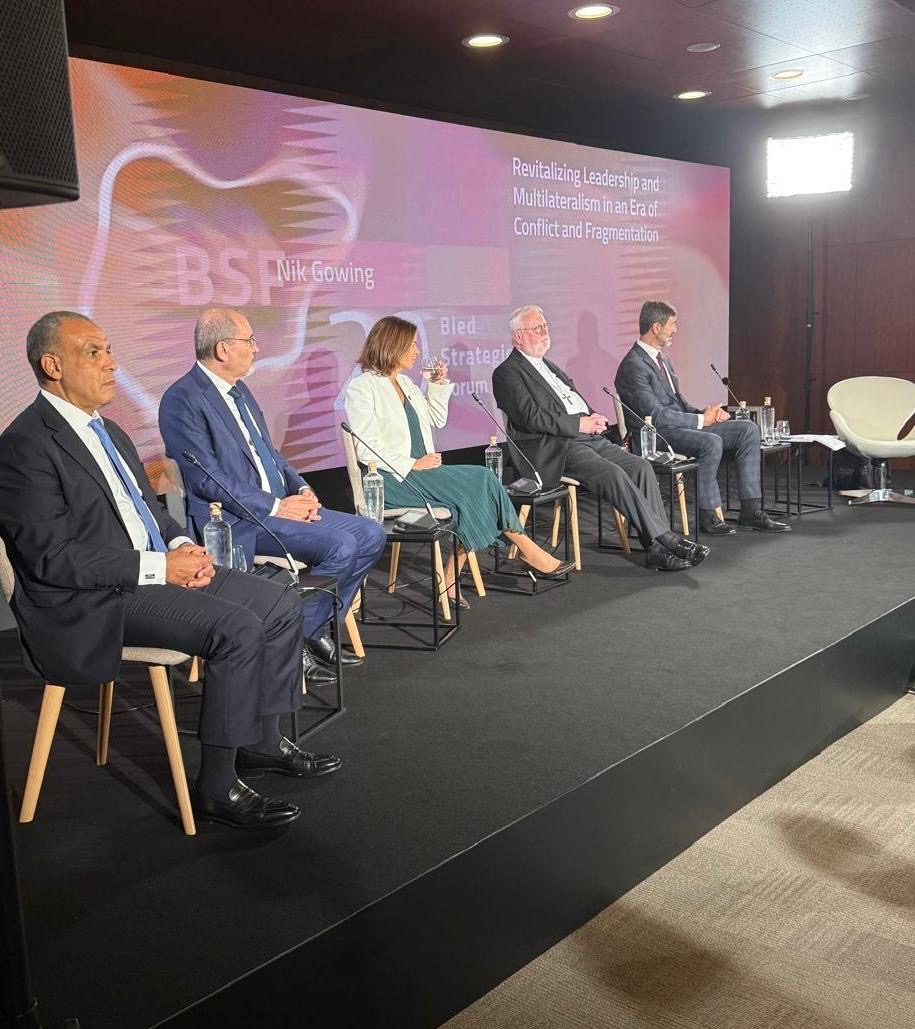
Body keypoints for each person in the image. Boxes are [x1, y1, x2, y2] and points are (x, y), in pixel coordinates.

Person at [0, 312, 342, 830]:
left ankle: (262, 741)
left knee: (278, 602)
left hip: (149, 571)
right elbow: (52, 557)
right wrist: (160, 566)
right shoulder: (24, 445)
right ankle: (217, 787)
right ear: (52, 365)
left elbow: (149, 511)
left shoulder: (110, 431)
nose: (111, 363)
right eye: (93, 352)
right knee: (237, 628)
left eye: (109, 350)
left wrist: (183, 545)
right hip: (92, 597)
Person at [158, 307, 386, 681]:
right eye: (249, 341)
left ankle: (306, 632)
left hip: (280, 507)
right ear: (222, 349)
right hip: (237, 520)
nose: (257, 348)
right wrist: (277, 506)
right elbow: (206, 479)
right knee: (341, 546)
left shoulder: (240, 390)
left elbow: (269, 452)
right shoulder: (183, 399)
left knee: (371, 534)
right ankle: (292, 644)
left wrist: (302, 488)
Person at [344, 316, 574, 605]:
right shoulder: (362, 387)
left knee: (471, 494)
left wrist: (437, 385)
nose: (417, 351)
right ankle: (524, 548)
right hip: (392, 480)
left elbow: (436, 419)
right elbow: (365, 448)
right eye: (411, 344)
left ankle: (455, 576)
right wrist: (411, 463)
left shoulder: (405, 383)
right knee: (481, 479)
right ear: (393, 345)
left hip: (424, 474)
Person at [492, 306, 709, 572]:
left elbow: (572, 402)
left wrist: (591, 416)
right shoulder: (507, 372)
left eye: (546, 326)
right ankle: (666, 539)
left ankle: (655, 549)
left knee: (640, 467)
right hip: (555, 446)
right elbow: (530, 417)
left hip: (586, 437)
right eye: (538, 328)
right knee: (612, 474)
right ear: (518, 336)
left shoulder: (550, 366)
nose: (545, 332)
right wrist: (578, 424)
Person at [615, 300, 790, 535]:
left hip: (680, 428)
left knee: (748, 429)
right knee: (711, 441)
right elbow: (654, 415)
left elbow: (679, 404)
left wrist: (706, 415)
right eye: (672, 324)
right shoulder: (633, 366)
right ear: (656, 327)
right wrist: (700, 422)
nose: (675, 330)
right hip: (656, 435)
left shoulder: (663, 360)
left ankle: (751, 511)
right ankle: (708, 516)